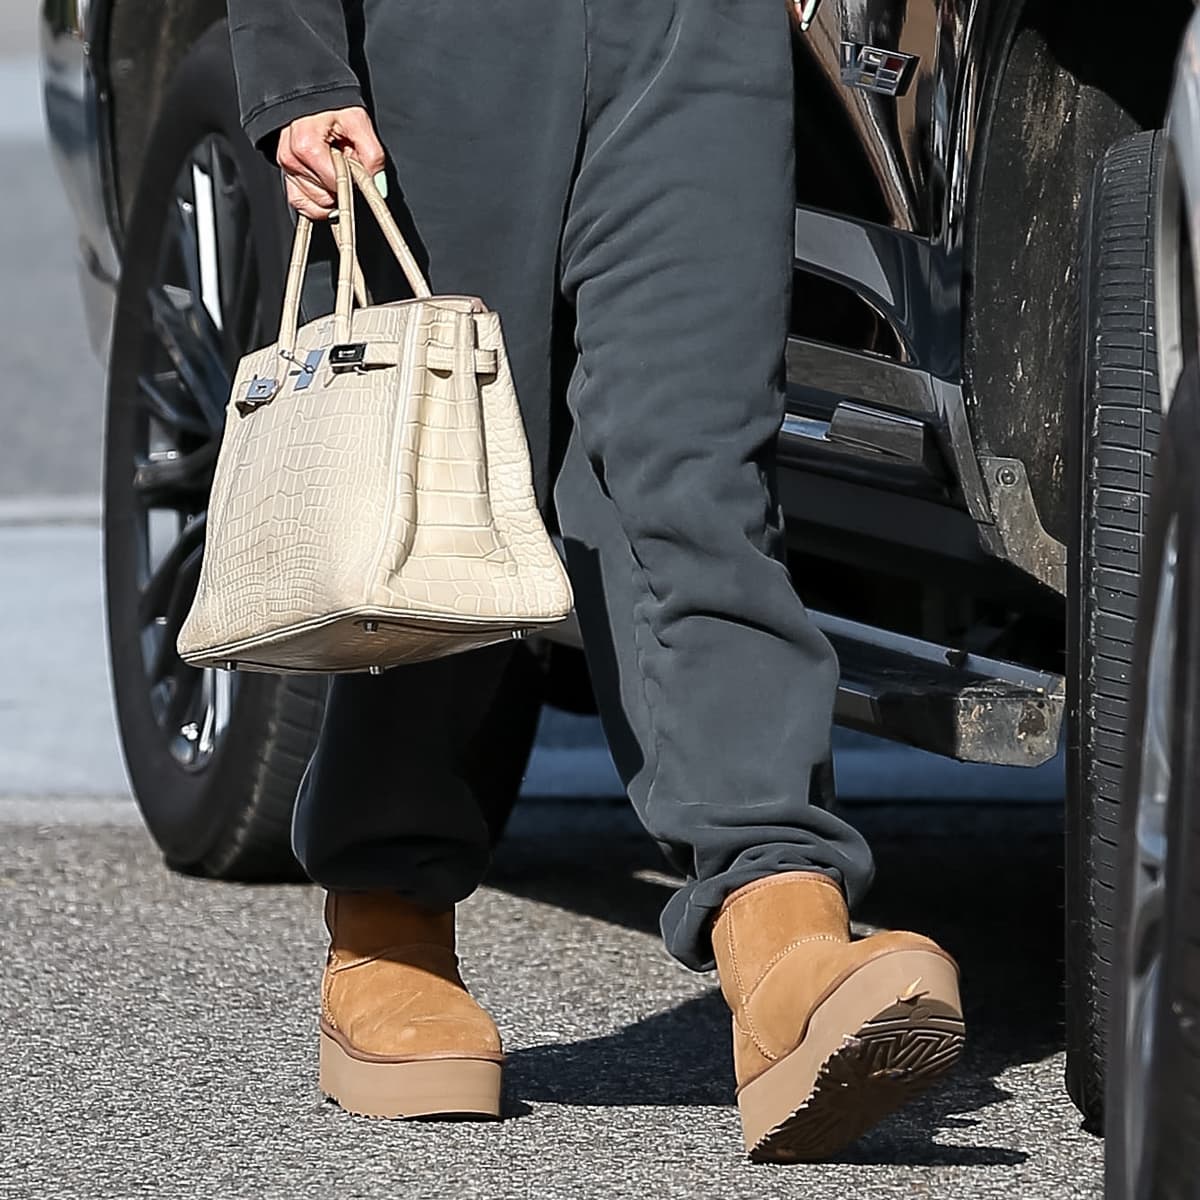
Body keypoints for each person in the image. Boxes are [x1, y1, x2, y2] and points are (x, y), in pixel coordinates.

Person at [226, 0, 965, 1161]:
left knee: (698, 465)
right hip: (443, 41)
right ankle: (389, 917)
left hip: (697, 38)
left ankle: (780, 923)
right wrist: (296, 66)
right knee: (442, 469)